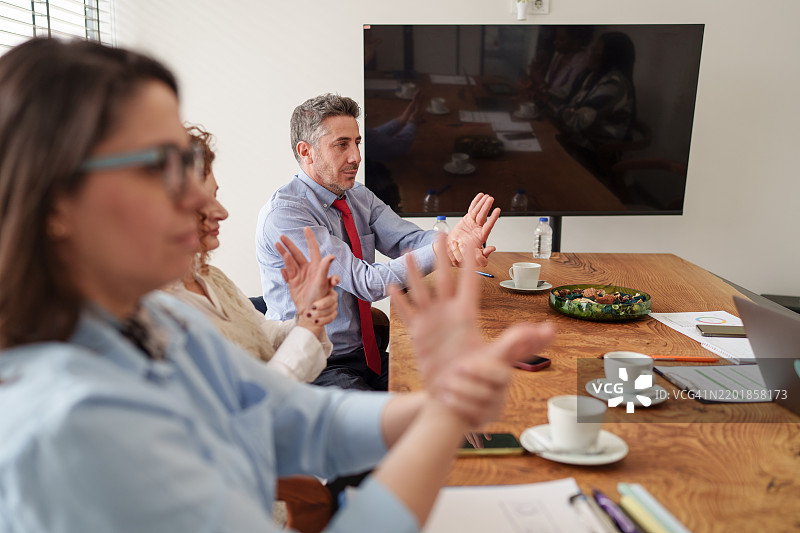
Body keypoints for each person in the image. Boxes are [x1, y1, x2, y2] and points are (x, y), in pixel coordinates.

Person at [0, 38, 553, 532]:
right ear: (56, 202)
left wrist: (447, 402)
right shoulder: (74, 422)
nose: (208, 205)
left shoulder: (163, 318)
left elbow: (294, 419)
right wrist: (442, 421)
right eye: (161, 166)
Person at [256, 93, 501, 391]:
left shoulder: (357, 195)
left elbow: (408, 240)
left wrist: (456, 243)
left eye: (357, 142)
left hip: (365, 355)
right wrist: (444, 250)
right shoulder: (287, 215)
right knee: (411, 412)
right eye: (342, 145)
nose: (356, 157)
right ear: (306, 151)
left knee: (460, 387)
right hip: (314, 365)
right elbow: (366, 282)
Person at [164, 125, 337, 382]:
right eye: (202, 200)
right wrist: (309, 323)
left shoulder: (211, 277)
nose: (222, 212)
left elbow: (266, 336)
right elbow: (256, 396)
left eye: (215, 196)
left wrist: (308, 315)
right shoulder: (161, 312)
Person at [553, 31, 637, 172]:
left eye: (597, 51)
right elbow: (572, 107)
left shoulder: (614, 84)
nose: (591, 54)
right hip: (578, 142)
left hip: (595, 153)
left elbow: (577, 120)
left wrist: (553, 105)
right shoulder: (595, 76)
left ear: (611, 57)